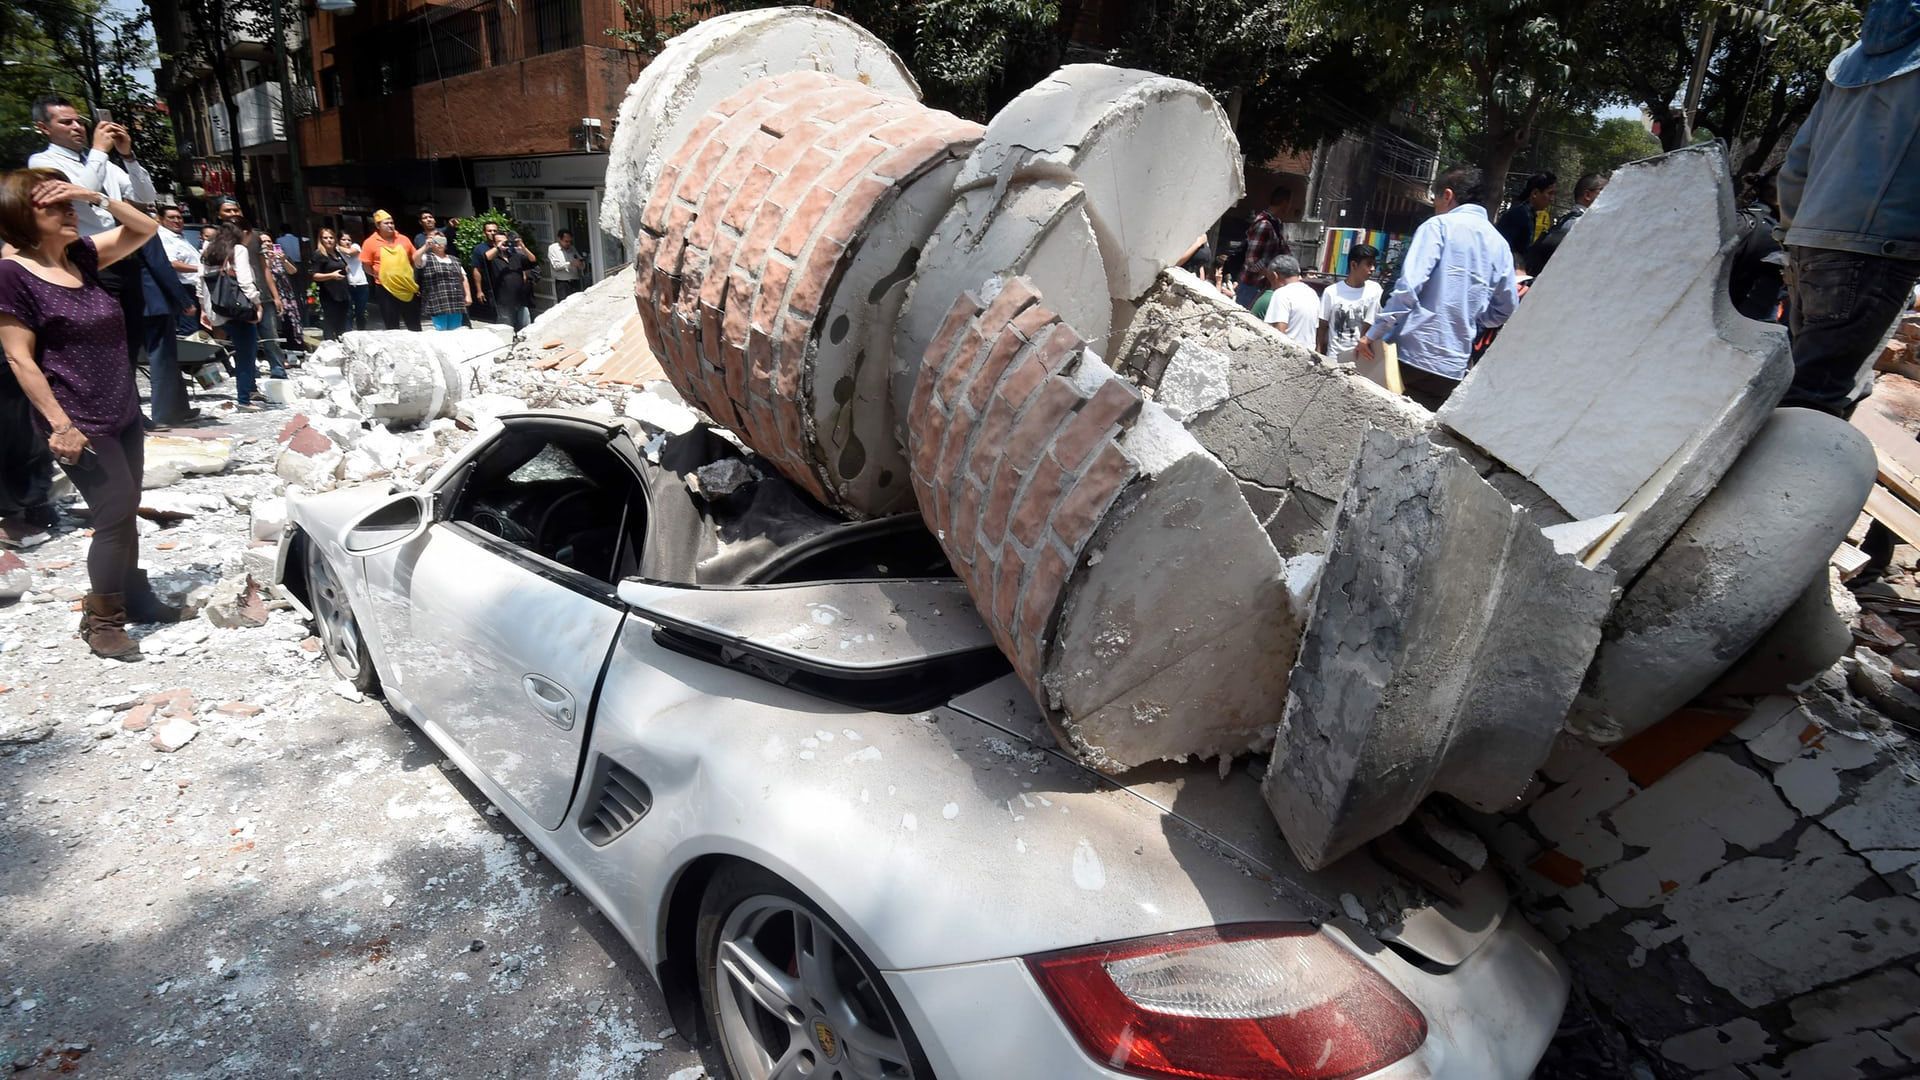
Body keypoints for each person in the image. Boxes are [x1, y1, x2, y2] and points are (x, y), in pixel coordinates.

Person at [0, 167, 175, 658]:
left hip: (121, 407)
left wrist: (94, 195)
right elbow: (20, 359)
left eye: (69, 204)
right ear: (22, 215)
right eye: (54, 205)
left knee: (126, 506)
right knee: (113, 512)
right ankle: (102, 620)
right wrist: (60, 425)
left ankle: (135, 595)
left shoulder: (81, 256)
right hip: (77, 418)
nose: (69, 212)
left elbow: (145, 228)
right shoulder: (12, 275)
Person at [1776, 0, 1920, 417]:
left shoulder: (1849, 62)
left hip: (1809, 243)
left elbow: (1797, 163)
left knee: (1796, 383)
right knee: (1812, 402)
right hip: (1876, 252)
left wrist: (1794, 233)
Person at [1357, 167, 1520, 410]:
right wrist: (1474, 318)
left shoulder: (1438, 226)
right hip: (1452, 369)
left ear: (1447, 195)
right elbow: (1507, 308)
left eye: (1435, 199)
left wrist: (1373, 334)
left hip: (1409, 355)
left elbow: (1408, 289)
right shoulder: (1500, 245)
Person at [26, 96, 156, 375]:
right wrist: (99, 150)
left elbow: (146, 196)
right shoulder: (42, 162)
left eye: (79, 121)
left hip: (124, 257)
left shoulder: (103, 163)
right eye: (66, 122)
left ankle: (128, 396)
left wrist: (128, 156)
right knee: (101, 341)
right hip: (85, 259)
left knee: (131, 339)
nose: (77, 127)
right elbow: (81, 195)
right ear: (44, 128)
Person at [215, 198, 287, 381]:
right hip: (236, 299)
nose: (232, 214)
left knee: (270, 336)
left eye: (235, 210)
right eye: (227, 211)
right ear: (219, 215)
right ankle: (250, 373)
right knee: (245, 340)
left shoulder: (254, 236)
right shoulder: (218, 240)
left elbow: (265, 268)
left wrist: (276, 295)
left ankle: (278, 369)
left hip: (262, 294)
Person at [196, 223, 266, 410]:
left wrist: (203, 308)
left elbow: (200, 281)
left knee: (242, 351)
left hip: (217, 308)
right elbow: (245, 281)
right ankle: (244, 399)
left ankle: (248, 392)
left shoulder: (208, 251)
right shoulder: (239, 250)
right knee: (246, 354)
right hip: (237, 309)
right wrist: (257, 303)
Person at [1318, 243, 1383, 358]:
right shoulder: (1331, 292)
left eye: (1374, 265)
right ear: (1354, 265)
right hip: (1335, 358)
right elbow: (1322, 326)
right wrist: (1318, 354)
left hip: (1363, 358)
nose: (1373, 269)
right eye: (1369, 264)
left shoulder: (1375, 290)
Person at [360, 210, 421, 331]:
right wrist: (377, 275)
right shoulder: (369, 242)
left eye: (392, 223)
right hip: (385, 288)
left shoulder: (403, 239)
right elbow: (366, 265)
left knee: (414, 325)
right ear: (378, 225)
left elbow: (414, 258)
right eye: (386, 223)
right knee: (392, 326)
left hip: (406, 286)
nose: (390, 225)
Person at [1236, 187, 1293, 309]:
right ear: (1284, 203)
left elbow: (1285, 252)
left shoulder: (1277, 224)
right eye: (1289, 203)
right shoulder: (1264, 225)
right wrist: (1269, 274)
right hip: (1252, 286)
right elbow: (1252, 260)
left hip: (1264, 287)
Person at [1259, 255, 1321, 350]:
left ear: (1275, 276)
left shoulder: (1281, 294)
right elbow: (1316, 331)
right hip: (1308, 354)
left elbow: (1278, 332)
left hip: (1289, 354)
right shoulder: (1312, 293)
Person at [415, 232, 471, 330]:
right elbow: (415, 258)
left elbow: (463, 278)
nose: (439, 244)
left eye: (442, 241)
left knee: (456, 330)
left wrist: (468, 295)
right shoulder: (426, 258)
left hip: (456, 300)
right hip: (437, 301)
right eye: (436, 241)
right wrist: (425, 246)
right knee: (440, 331)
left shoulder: (455, 260)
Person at [485, 228, 538, 331]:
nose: (503, 244)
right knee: (506, 330)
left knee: (525, 329)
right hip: (503, 303)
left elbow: (533, 260)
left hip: (521, 300)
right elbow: (486, 257)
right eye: (499, 241)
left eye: (504, 241)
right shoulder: (493, 259)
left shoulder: (516, 256)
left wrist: (522, 246)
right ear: (494, 244)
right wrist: (498, 247)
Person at [1495, 172, 1558, 259]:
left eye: (1554, 194)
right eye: (1550, 193)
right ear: (1535, 193)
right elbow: (1505, 249)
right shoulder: (1518, 215)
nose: (1552, 199)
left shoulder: (1529, 214)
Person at [309, 227, 352, 340]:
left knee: (342, 324)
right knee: (330, 322)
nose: (329, 240)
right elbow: (314, 275)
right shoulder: (319, 255)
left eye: (331, 237)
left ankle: (341, 345)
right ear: (321, 240)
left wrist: (345, 270)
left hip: (343, 292)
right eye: (325, 238)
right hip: (329, 294)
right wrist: (331, 275)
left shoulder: (337, 253)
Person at [338, 231, 369, 331]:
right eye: (343, 239)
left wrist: (337, 246)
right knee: (348, 311)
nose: (347, 242)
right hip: (347, 284)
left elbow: (350, 253)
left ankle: (361, 332)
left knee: (360, 311)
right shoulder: (336, 253)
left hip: (361, 284)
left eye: (349, 240)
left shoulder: (355, 246)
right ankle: (348, 332)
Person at [470, 220, 500, 318]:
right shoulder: (479, 249)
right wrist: (479, 290)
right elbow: (476, 270)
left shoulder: (505, 246)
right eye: (489, 231)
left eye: (495, 231)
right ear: (484, 233)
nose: (492, 233)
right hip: (491, 288)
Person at [546, 229, 588, 300]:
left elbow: (579, 259)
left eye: (570, 241)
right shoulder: (553, 248)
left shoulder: (572, 248)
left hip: (575, 281)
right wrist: (570, 264)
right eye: (566, 241)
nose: (568, 243)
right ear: (559, 239)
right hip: (563, 283)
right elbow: (556, 266)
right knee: (564, 303)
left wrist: (581, 264)